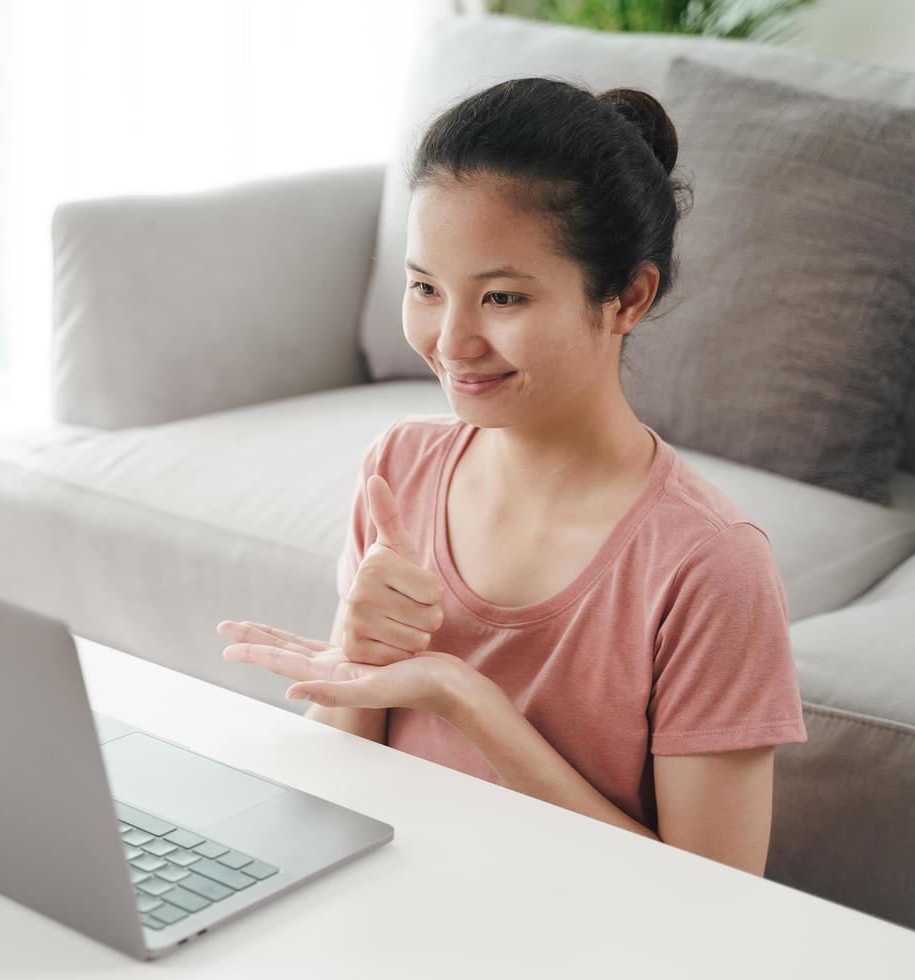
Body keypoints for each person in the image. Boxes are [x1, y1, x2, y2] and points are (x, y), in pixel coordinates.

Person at [217, 76, 807, 877]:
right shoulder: (402, 469)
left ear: (628, 297)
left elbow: (717, 899)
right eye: (425, 287)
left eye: (500, 296)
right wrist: (357, 663)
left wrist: (467, 702)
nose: (451, 341)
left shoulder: (710, 567)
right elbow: (332, 789)